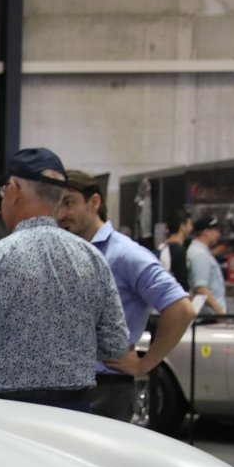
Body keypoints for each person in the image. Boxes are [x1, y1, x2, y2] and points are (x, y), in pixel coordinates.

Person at [0, 149, 128, 411]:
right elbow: (116, 343)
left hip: (5, 411)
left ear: (14, 190)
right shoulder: (93, 258)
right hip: (75, 410)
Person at [57, 170, 196, 423]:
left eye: (69, 203)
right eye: (57, 205)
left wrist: (145, 364)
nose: (61, 214)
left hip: (104, 388)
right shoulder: (68, 251)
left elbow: (182, 308)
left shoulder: (125, 254)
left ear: (94, 202)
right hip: (64, 385)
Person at [187, 215, 227, 319]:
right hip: (209, 316)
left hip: (210, 315)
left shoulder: (202, 252)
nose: (218, 234)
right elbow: (201, 288)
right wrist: (220, 313)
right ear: (206, 232)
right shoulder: (199, 254)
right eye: (215, 230)